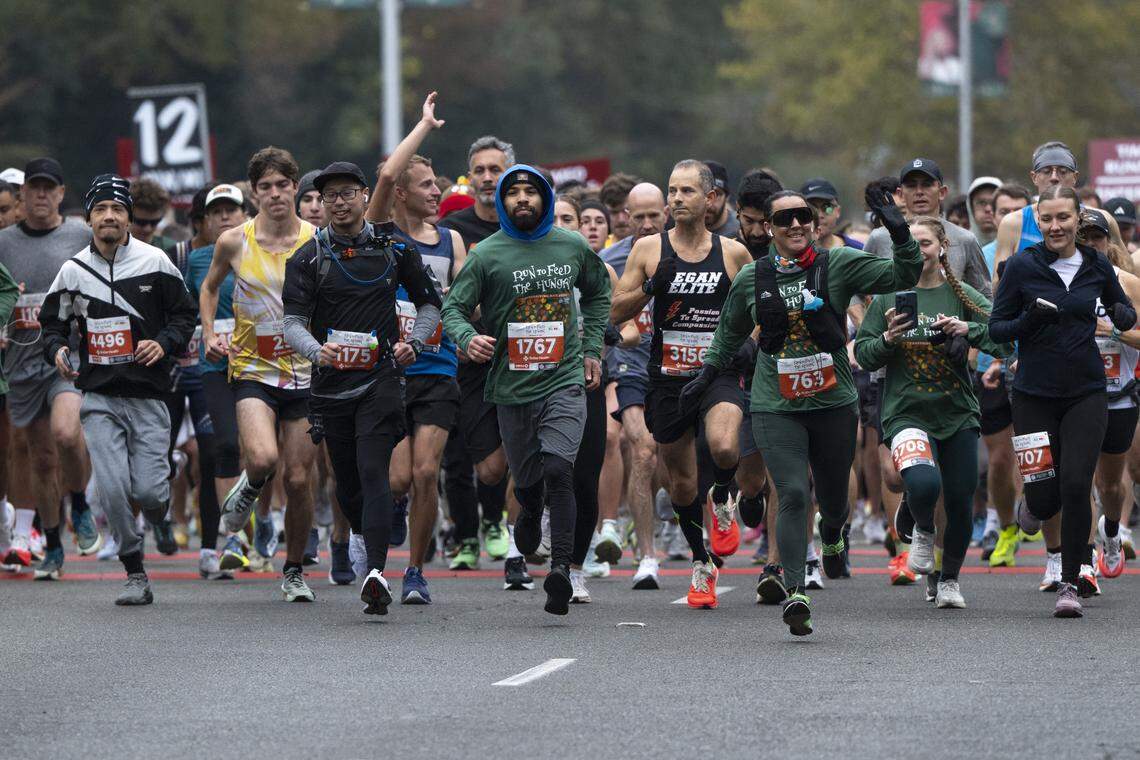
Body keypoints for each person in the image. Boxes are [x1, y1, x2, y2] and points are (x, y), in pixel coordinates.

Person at [697, 187, 921, 635]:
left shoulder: (835, 265)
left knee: (834, 500)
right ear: (770, 230)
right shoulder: (752, 278)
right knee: (794, 493)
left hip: (833, 403)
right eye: (785, 219)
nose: (796, 224)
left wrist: (899, 230)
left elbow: (905, 273)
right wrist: (703, 378)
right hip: (775, 405)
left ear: (815, 222)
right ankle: (796, 590)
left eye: (804, 215)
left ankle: (835, 534)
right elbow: (727, 336)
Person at [441, 164, 611, 616]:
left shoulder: (572, 246)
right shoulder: (486, 254)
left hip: (565, 379)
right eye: (512, 192)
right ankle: (529, 508)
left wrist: (592, 346)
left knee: (560, 469)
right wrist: (467, 337)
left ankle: (559, 570)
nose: (522, 199)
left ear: (546, 200)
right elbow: (453, 308)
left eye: (530, 192)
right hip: (511, 385)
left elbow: (598, 294)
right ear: (501, 201)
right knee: (529, 478)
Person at [283, 160, 442, 615]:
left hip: (382, 381)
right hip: (331, 387)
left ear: (364, 195)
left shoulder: (395, 248)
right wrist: (315, 351)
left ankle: (374, 572)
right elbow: (292, 323)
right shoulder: (307, 258)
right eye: (327, 195)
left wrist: (414, 342)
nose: (337, 202)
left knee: (375, 472)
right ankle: (359, 533)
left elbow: (430, 304)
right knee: (346, 484)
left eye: (346, 193)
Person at [40, 174, 197, 603]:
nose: (109, 217)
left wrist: (161, 343)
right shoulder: (74, 269)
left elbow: (185, 318)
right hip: (100, 396)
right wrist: (57, 349)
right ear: (89, 218)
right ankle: (135, 572)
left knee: (148, 491)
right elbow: (52, 322)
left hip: (149, 394)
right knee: (112, 490)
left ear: (128, 218)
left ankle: (161, 511)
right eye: (101, 210)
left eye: (117, 210)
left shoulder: (156, 262)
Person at [611, 160, 753, 609]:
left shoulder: (732, 252)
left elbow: (758, 308)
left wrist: (746, 345)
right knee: (683, 486)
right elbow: (616, 312)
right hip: (668, 378)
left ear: (710, 199)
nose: (675, 199)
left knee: (726, 445)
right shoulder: (649, 249)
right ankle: (700, 563)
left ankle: (726, 494)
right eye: (672, 190)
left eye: (687, 191)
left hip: (717, 372)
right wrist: (652, 287)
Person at [989, 185, 1136, 618]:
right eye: (1048, 219)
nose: (1056, 227)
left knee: (1076, 484)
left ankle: (1070, 581)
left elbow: (1119, 307)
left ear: (1078, 219)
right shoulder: (1020, 267)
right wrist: (1028, 320)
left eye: (1064, 218)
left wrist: (1121, 316)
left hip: (1086, 392)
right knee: (1044, 497)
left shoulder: (1095, 265)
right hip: (1032, 394)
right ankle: (1030, 507)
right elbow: (997, 329)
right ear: (1038, 219)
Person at [854, 216, 1010, 608]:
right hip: (906, 411)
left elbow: (1005, 341)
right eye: (912, 244)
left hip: (957, 412)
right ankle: (922, 526)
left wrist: (966, 330)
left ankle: (948, 580)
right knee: (924, 485)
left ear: (943, 248)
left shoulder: (965, 296)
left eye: (926, 243)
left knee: (959, 501)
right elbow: (863, 352)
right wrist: (888, 338)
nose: (920, 251)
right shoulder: (890, 296)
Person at [198, 146, 320, 602]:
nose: (274, 195)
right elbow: (209, 289)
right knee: (265, 460)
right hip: (252, 368)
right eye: (265, 187)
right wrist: (210, 333)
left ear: (295, 188)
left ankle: (293, 570)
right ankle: (249, 487)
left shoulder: (317, 240)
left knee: (299, 479)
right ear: (254, 192)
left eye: (282, 185)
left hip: (306, 371)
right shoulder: (234, 240)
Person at [364, 91, 466, 604]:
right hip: (388, 369)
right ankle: (393, 512)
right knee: (399, 477)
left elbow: (466, 302)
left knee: (427, 472)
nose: (437, 191)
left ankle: (416, 573)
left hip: (438, 367)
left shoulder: (450, 242)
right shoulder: (382, 234)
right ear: (402, 193)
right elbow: (384, 177)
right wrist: (423, 126)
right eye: (426, 184)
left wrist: (470, 336)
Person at [0, 157, 96, 576]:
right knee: (39, 457)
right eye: (33, 188)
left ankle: (79, 501)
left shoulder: (81, 234)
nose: (40, 195)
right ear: (22, 195)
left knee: (66, 433)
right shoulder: (3, 241)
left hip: (67, 357)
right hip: (22, 362)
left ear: (60, 194)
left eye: (48, 188)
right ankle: (52, 541)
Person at [436, 136, 515, 588]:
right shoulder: (454, 227)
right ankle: (466, 536)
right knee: (457, 453)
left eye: (496, 169)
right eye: (480, 170)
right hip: (461, 355)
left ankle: (496, 519)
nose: (488, 178)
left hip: (516, 357)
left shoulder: (523, 223)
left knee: (502, 459)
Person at [600, 182, 670, 588]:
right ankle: (647, 557)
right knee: (642, 450)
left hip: (678, 368)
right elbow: (601, 316)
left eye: (653, 216)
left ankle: (675, 509)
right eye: (637, 216)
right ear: (625, 215)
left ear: (666, 213)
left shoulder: (690, 254)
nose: (645, 224)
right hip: (629, 366)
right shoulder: (609, 261)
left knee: (675, 464)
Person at [183, 184, 248, 578]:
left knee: (265, 453)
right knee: (223, 447)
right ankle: (233, 536)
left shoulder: (262, 252)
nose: (224, 217)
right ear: (205, 222)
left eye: (231, 210)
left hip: (262, 362)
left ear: (245, 215)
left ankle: (267, 519)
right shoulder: (194, 261)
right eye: (216, 212)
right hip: (213, 366)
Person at [1076, 210, 1140, 580]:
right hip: (1077, 394)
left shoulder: (1128, 284)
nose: (1089, 245)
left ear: (1109, 242)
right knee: (1079, 478)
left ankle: (1112, 530)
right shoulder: (1059, 282)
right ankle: (1083, 563)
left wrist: (1112, 331)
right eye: (1082, 238)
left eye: (1096, 238)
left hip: (1118, 395)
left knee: (1111, 485)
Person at [975, 183, 1032, 566]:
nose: (1009, 215)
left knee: (1032, 453)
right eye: (1003, 209)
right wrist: (989, 354)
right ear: (994, 216)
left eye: (1018, 209)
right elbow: (976, 313)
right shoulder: (980, 256)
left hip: (1034, 364)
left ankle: (1035, 514)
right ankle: (1005, 527)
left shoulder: (1045, 254)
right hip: (989, 364)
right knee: (998, 459)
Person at [800, 178, 864, 250]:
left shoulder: (858, 251)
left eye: (827, 207)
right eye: (811, 208)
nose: (819, 215)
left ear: (838, 211)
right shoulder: (789, 254)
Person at [129, 178, 174, 249]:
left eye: (155, 222)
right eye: (141, 222)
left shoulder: (172, 249)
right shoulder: (112, 248)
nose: (148, 229)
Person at [704, 161, 740, 239]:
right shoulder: (680, 228)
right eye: (704, 193)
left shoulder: (741, 229)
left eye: (716, 194)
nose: (709, 202)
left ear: (727, 197)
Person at [599, 172, 638, 242]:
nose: (621, 220)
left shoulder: (658, 245)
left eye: (626, 210)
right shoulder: (597, 250)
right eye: (614, 212)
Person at [966, 176, 1002, 246]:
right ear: (970, 207)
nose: (988, 209)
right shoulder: (959, 246)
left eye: (993, 202)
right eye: (981, 203)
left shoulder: (1019, 249)